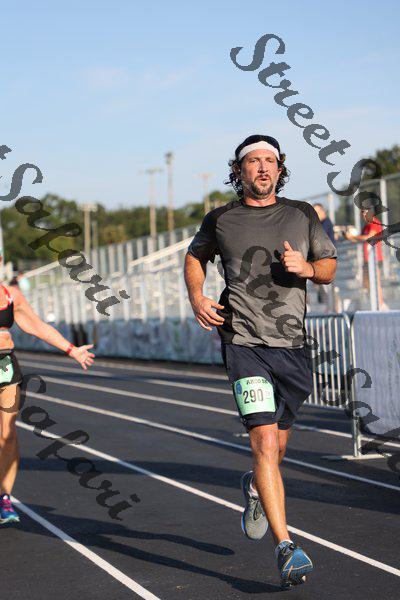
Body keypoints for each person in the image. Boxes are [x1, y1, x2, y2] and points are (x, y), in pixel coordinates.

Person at [184, 134, 337, 588]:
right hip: (242, 342)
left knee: (279, 448)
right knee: (265, 444)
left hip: (292, 345)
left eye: (270, 160)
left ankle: (254, 485)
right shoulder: (221, 219)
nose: (263, 167)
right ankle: (286, 546)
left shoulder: (301, 214)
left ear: (280, 168)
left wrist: (307, 269)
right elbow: (194, 257)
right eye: (254, 161)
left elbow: (328, 266)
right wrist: (197, 296)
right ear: (239, 170)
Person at [0, 269, 95, 524]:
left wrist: (71, 349)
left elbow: (36, 325)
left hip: (5, 368)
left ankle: (4, 498)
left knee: (7, 434)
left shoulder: (10, 295)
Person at [344, 207, 386, 310]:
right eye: (363, 213)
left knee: (376, 283)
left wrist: (352, 237)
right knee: (366, 284)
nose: (364, 216)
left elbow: (368, 237)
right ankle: (375, 303)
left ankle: (380, 305)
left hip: (375, 259)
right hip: (367, 260)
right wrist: (348, 237)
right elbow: (359, 239)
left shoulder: (375, 223)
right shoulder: (366, 226)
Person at [312, 204, 336, 308]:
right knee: (322, 289)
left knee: (328, 289)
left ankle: (332, 309)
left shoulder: (326, 223)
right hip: (321, 259)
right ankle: (328, 309)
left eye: (317, 212)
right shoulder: (320, 224)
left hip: (327, 260)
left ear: (322, 211)